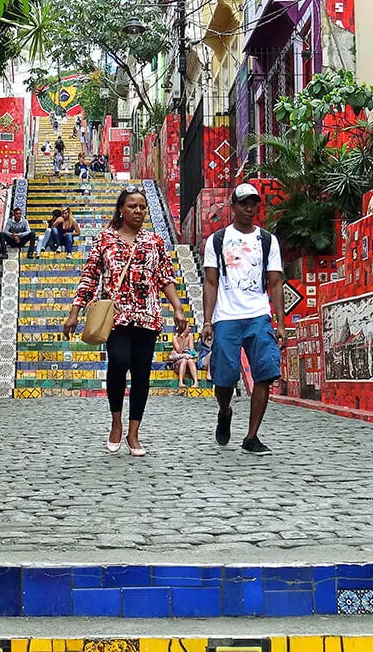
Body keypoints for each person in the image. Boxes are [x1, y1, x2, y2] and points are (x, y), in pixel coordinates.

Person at [62, 186, 187, 456]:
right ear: (121, 209)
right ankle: (116, 422)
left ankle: (134, 433)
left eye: (142, 207)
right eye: (132, 206)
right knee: (118, 362)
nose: (139, 211)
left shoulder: (154, 241)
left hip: (147, 316)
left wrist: (177, 308)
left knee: (142, 373)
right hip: (115, 316)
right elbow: (89, 277)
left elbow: (165, 278)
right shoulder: (105, 240)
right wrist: (75, 311)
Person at [202, 183, 286, 455]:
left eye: (254, 204)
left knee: (265, 372)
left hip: (258, 315)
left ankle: (252, 436)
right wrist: (207, 321)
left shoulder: (267, 240)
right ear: (233, 207)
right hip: (226, 316)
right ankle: (225, 411)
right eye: (243, 203)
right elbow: (211, 283)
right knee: (224, 378)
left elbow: (275, 283)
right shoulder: (216, 240)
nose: (249, 209)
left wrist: (281, 323)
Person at [168, 324, 198, 389]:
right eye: (188, 327)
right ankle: (181, 382)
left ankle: (196, 382)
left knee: (190, 361)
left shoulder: (190, 336)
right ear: (183, 328)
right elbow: (179, 350)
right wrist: (183, 338)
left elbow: (192, 350)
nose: (190, 328)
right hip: (178, 361)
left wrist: (188, 350)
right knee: (184, 360)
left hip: (188, 358)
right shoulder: (175, 337)